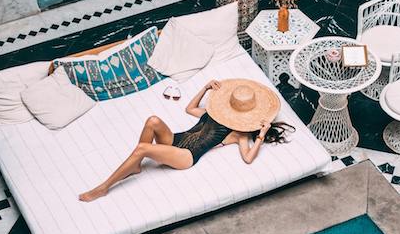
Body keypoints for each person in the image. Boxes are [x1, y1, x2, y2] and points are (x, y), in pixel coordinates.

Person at [79, 79, 294, 202]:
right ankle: (134, 167)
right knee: (153, 120)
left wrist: (261, 135)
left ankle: (105, 187)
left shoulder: (240, 133)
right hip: (177, 139)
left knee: (143, 148)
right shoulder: (216, 113)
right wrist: (205, 88)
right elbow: (189, 109)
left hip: (187, 156)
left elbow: (247, 158)